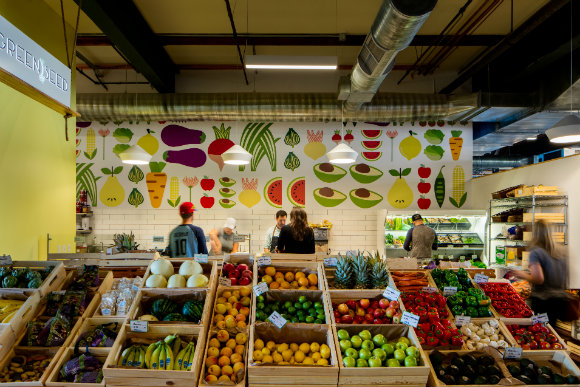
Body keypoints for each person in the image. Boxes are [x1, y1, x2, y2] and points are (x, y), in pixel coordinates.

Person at [509, 220, 568, 326]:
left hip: (543, 301)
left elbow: (538, 278)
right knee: (552, 332)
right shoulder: (560, 252)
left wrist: (522, 274)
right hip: (559, 300)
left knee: (542, 331)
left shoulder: (536, 252)